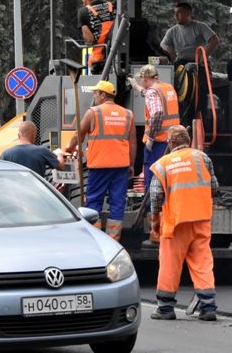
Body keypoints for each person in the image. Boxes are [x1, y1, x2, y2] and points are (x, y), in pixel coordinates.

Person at [149, 125, 219, 322]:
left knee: (170, 263)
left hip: (175, 222)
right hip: (201, 218)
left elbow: (155, 196)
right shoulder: (202, 158)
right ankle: (208, 307)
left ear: (170, 143)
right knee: (202, 262)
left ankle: (165, 308)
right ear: (187, 141)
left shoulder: (162, 164)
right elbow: (214, 186)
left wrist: (154, 222)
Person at [66, 80, 136, 241]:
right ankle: (113, 238)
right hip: (121, 166)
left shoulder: (93, 112)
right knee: (118, 202)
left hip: (100, 165)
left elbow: (79, 135)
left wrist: (70, 149)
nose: (94, 96)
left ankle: (95, 237)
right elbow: (132, 142)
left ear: (103, 95)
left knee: (94, 200)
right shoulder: (128, 114)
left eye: (96, 93)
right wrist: (131, 164)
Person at [130, 64, 180, 247]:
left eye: (141, 78)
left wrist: (150, 138)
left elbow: (157, 112)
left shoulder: (152, 92)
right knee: (167, 184)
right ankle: (168, 229)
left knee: (154, 185)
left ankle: (155, 233)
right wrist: (136, 88)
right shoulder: (167, 88)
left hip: (157, 143)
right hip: (170, 142)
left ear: (144, 77)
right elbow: (154, 98)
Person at [76, 0, 115, 74]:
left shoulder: (83, 12)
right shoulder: (111, 6)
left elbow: (89, 39)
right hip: (117, 55)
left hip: (100, 59)